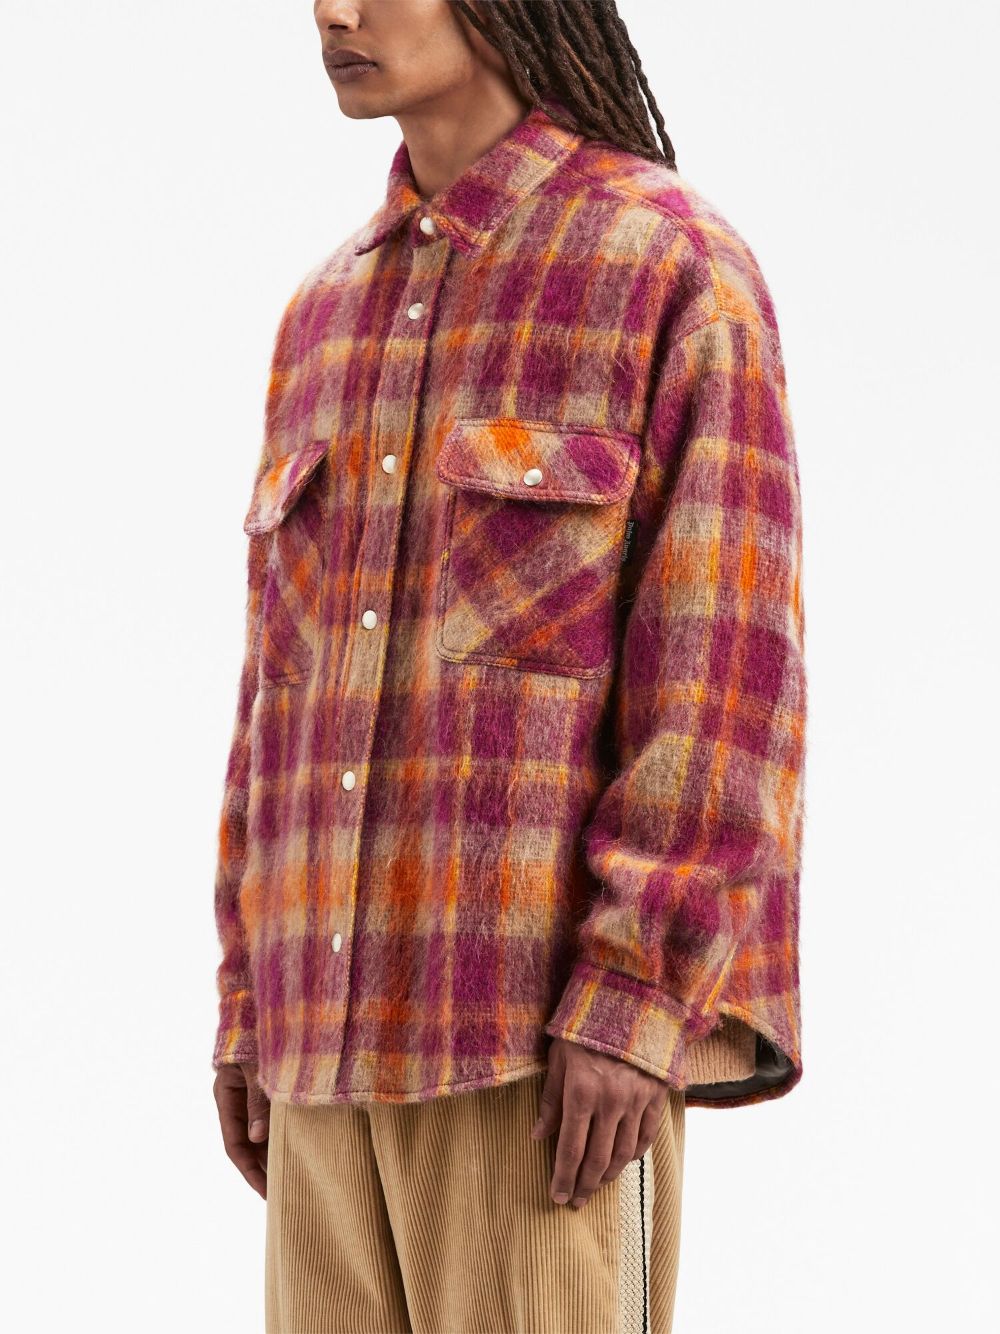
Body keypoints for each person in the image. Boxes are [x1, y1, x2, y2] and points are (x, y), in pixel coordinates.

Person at [211, 2, 807, 1330]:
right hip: (320, 1059)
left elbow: (726, 673)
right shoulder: (324, 315)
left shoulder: (665, 264)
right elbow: (275, 707)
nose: (334, 12)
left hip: (540, 1061)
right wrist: (250, 1005)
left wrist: (636, 997)